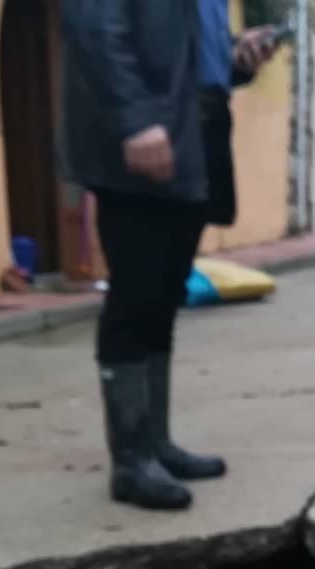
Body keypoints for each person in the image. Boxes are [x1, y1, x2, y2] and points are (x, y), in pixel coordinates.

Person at [61, 1, 277, 511]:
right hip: (147, 132)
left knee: (163, 296)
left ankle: (155, 444)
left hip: (195, 136)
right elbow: (93, 24)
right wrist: (133, 119)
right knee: (134, 296)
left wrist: (236, 60)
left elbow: (189, 55)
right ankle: (131, 461)